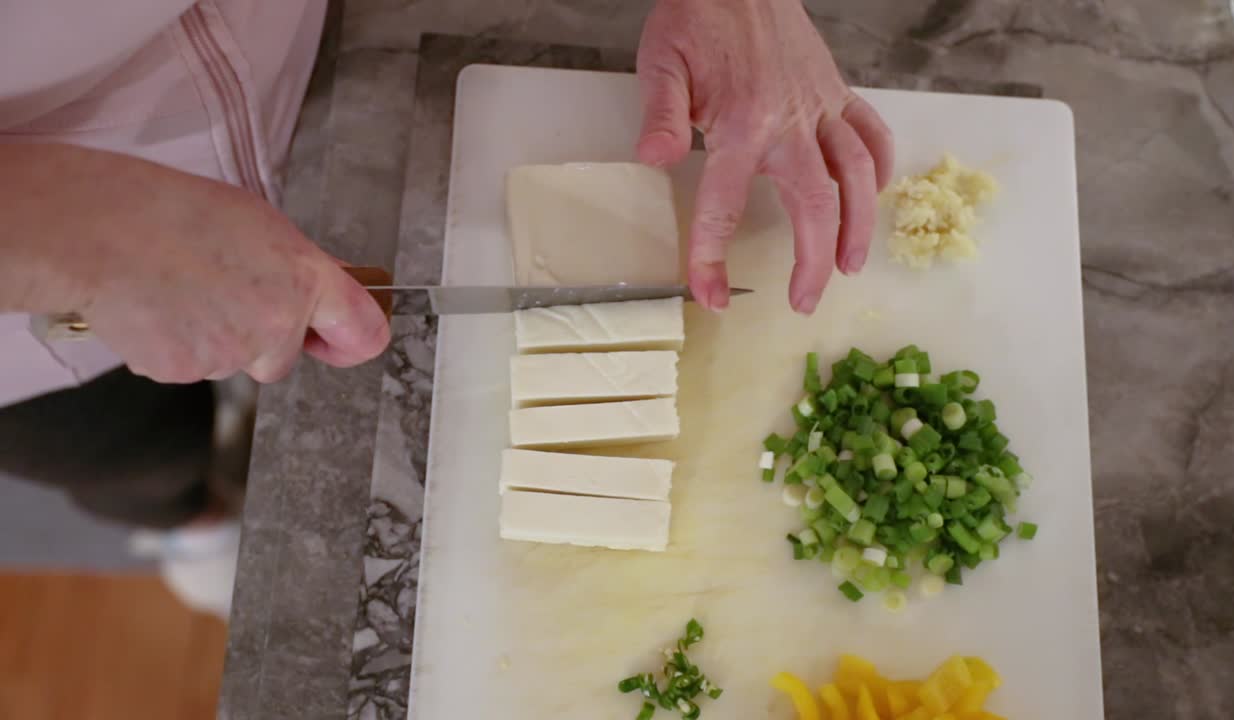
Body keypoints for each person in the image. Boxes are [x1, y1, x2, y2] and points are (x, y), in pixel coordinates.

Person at [0, 0, 893, 616]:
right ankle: (197, 531)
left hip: (297, 48)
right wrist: (72, 231)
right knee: (123, 452)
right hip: (31, 310)